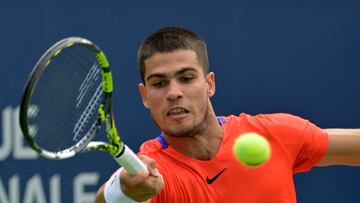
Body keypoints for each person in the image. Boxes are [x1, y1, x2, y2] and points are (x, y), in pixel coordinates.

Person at [96, 26, 360, 203]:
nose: (173, 93)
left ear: (209, 84)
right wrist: (123, 188)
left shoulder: (275, 134)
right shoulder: (155, 172)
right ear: (144, 95)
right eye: (159, 83)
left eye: (186, 78)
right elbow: (106, 198)